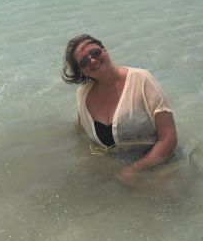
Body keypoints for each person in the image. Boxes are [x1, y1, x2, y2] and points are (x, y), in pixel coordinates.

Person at [63, 34, 177, 181]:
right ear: (81, 71)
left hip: (162, 170)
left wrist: (135, 169)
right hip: (118, 177)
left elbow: (169, 138)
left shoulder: (141, 80)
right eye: (84, 61)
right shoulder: (83, 96)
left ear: (104, 50)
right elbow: (81, 133)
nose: (92, 60)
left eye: (95, 52)